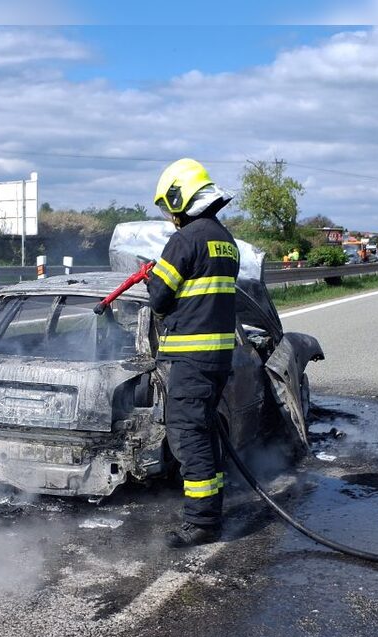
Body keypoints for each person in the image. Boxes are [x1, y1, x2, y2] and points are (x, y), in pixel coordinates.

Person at [148, 158, 240, 548]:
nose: (171, 218)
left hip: (190, 358)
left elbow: (159, 296)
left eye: (170, 208)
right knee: (204, 434)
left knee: (188, 438)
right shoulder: (226, 241)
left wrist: (156, 273)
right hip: (217, 358)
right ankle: (211, 512)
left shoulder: (185, 240)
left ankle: (201, 522)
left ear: (180, 197)